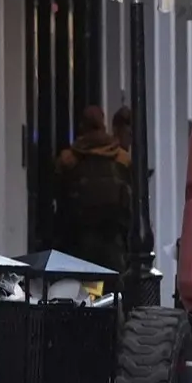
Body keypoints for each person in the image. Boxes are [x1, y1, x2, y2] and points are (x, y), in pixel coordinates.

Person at [55, 106, 133, 274]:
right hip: (114, 240)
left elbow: (58, 199)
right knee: (114, 290)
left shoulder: (68, 160)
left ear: (82, 126)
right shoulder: (122, 158)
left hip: (79, 241)